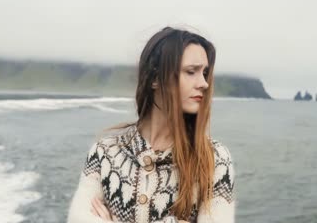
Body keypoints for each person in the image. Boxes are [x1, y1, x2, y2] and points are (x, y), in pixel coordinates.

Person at [67, 27, 235, 223]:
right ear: (155, 78)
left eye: (205, 73)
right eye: (191, 72)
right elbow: (77, 219)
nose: (204, 83)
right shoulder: (104, 152)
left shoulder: (215, 159)